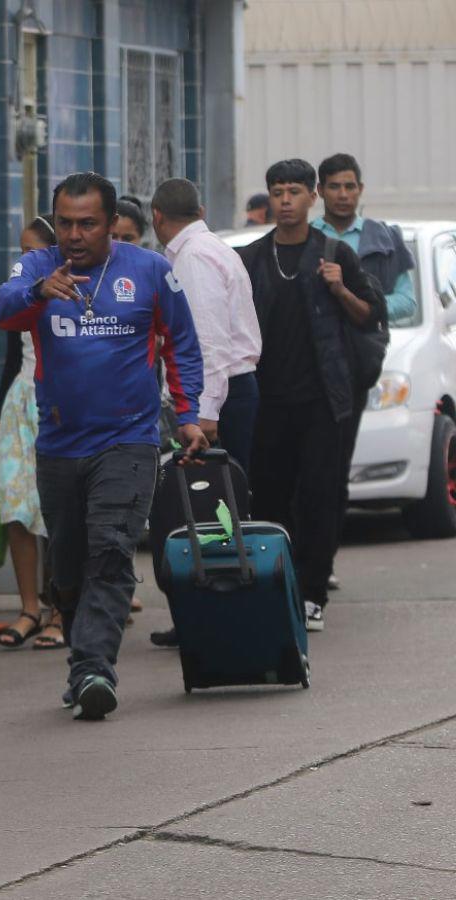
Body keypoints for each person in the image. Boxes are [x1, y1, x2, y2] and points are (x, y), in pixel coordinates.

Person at [0, 172, 206, 721]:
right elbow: (4, 309)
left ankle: (93, 668)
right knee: (66, 567)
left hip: (129, 438)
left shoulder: (151, 272)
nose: (73, 234)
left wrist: (187, 416)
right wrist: (39, 291)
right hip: (61, 442)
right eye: (64, 222)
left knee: (110, 550)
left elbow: (181, 343)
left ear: (112, 225)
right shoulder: (39, 268)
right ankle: (81, 657)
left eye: (87, 223)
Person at [236, 159, 384, 633]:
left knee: (320, 497)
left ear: (311, 197)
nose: (284, 201)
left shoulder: (334, 252)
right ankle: (277, 587)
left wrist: (339, 288)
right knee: (271, 498)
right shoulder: (251, 258)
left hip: (323, 399)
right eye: (277, 191)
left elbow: (369, 317)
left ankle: (313, 591)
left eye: (294, 192)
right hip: (267, 400)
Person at [147, 177, 262, 649]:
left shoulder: (193, 260)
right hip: (229, 392)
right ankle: (209, 608)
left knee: (211, 509)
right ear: (201, 208)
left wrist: (202, 413)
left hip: (218, 398)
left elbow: (206, 341)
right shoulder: (211, 249)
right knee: (213, 508)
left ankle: (216, 611)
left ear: (156, 217)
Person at [313, 152, 414, 592]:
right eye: (334, 186)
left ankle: (323, 558)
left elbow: (406, 302)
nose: (342, 194)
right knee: (298, 470)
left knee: (335, 466)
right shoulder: (302, 236)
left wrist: (362, 308)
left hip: (354, 367)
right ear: (320, 191)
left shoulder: (384, 239)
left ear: (360, 190)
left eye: (350, 186)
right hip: (305, 365)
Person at [0, 216, 65, 650]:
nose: (24, 259)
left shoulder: (77, 289)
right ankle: (29, 607)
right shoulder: (21, 294)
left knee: (57, 511)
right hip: (21, 402)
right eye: (21, 249)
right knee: (16, 506)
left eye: (33, 250)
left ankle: (62, 609)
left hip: (63, 402)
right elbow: (13, 358)